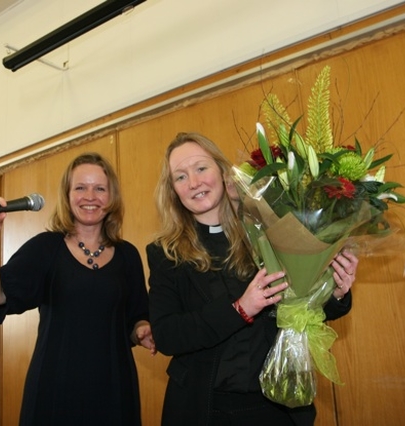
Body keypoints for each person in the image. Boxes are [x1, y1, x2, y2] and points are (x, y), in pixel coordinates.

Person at [146, 132, 358, 426]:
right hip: (206, 407)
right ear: (173, 191)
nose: (193, 182)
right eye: (180, 177)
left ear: (222, 172)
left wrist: (335, 292)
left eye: (201, 168)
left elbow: (300, 303)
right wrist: (239, 309)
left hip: (277, 407)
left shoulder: (268, 229)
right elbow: (168, 335)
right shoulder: (164, 253)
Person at [0, 152, 156, 426]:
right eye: (80, 187)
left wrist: (141, 328)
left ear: (112, 198)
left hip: (114, 390)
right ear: (67, 195)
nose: (90, 196)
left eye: (100, 188)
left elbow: (137, 316)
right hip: (54, 390)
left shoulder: (128, 255)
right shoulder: (46, 248)